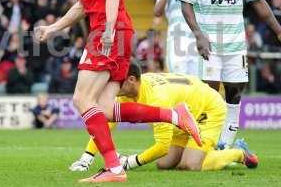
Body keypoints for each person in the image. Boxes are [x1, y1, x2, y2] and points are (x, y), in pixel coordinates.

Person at [36, 0, 201, 183]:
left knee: (81, 99)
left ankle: (113, 168)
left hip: (109, 32)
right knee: (105, 108)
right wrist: (53, 29)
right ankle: (174, 115)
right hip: (111, 31)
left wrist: (109, 30)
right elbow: (82, 5)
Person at [179, 0, 281, 149]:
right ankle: (205, 143)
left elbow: (258, 2)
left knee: (235, 95)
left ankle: (225, 145)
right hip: (211, 44)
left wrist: (278, 30)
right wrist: (198, 35)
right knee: (210, 95)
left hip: (235, 45)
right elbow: (186, 4)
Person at [69, 61, 258, 172]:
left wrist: (130, 162)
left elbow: (161, 146)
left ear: (131, 80)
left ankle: (239, 153)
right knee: (164, 164)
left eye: (116, 82)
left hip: (207, 109)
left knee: (190, 165)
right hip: (185, 110)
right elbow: (106, 122)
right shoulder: (130, 90)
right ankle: (207, 150)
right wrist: (88, 156)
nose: (112, 86)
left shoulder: (157, 99)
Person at [153, 0, 198, 75]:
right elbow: (157, 12)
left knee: (197, 82)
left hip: (196, 39)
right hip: (176, 40)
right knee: (179, 79)